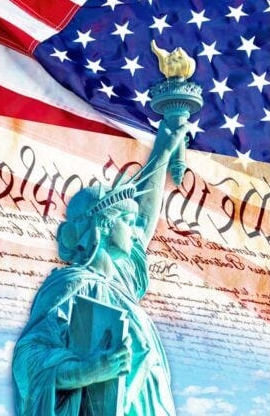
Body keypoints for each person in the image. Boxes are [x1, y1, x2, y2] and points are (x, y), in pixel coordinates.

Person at [11, 112, 189, 415]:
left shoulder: (121, 284)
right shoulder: (71, 284)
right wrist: (90, 370)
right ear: (104, 225)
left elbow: (145, 219)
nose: (135, 232)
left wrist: (165, 145)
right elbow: (29, 358)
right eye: (127, 222)